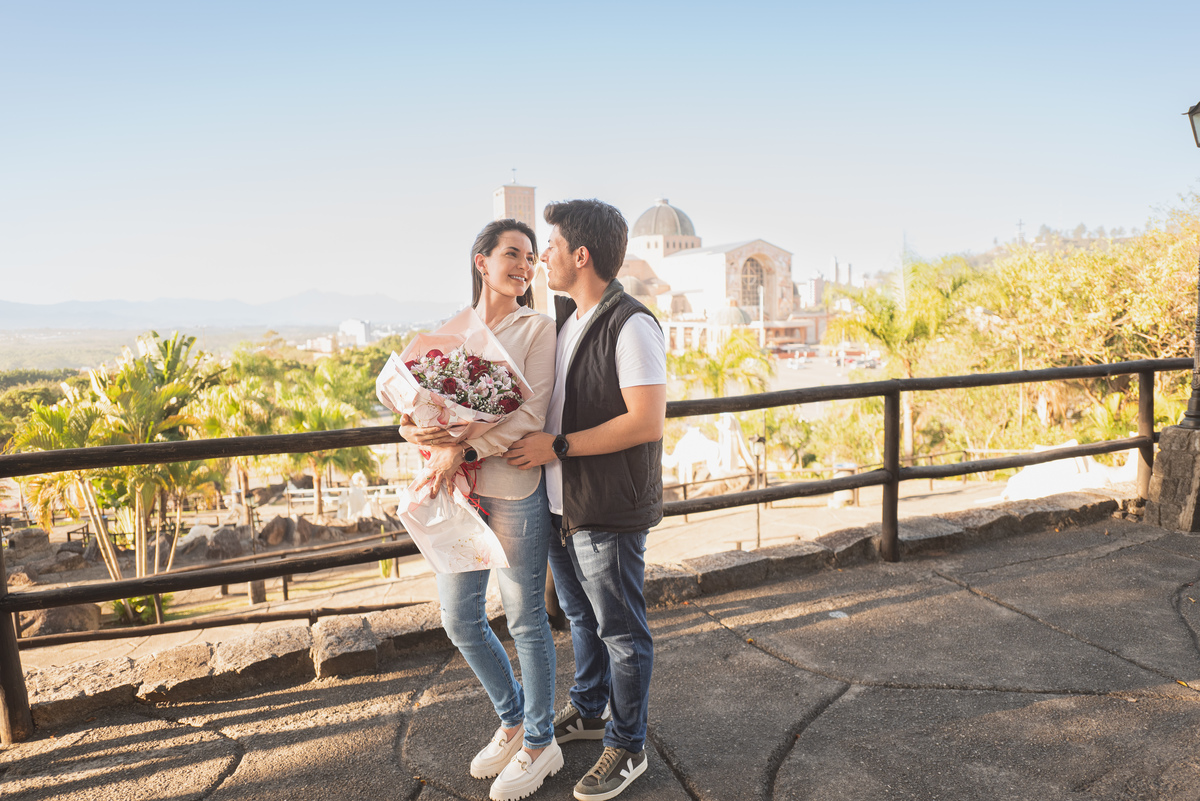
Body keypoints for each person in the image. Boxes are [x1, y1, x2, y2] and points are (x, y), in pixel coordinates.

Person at [507, 199, 666, 801]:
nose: (542, 255)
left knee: (622, 632)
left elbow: (646, 422)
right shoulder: (569, 319)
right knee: (580, 619)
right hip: (560, 506)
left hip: (605, 508)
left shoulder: (632, 324)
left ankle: (628, 746)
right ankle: (592, 708)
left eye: (549, 246)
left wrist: (560, 446)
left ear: (581, 255)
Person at [400, 218, 561, 801]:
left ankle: (542, 742)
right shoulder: (453, 332)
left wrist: (462, 445)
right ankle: (514, 718)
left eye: (530, 257)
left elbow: (530, 416)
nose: (523, 265)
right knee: (460, 617)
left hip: (514, 488)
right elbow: (424, 408)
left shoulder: (538, 328)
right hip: (457, 492)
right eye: (512, 254)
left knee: (524, 619)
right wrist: (417, 425)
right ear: (482, 261)